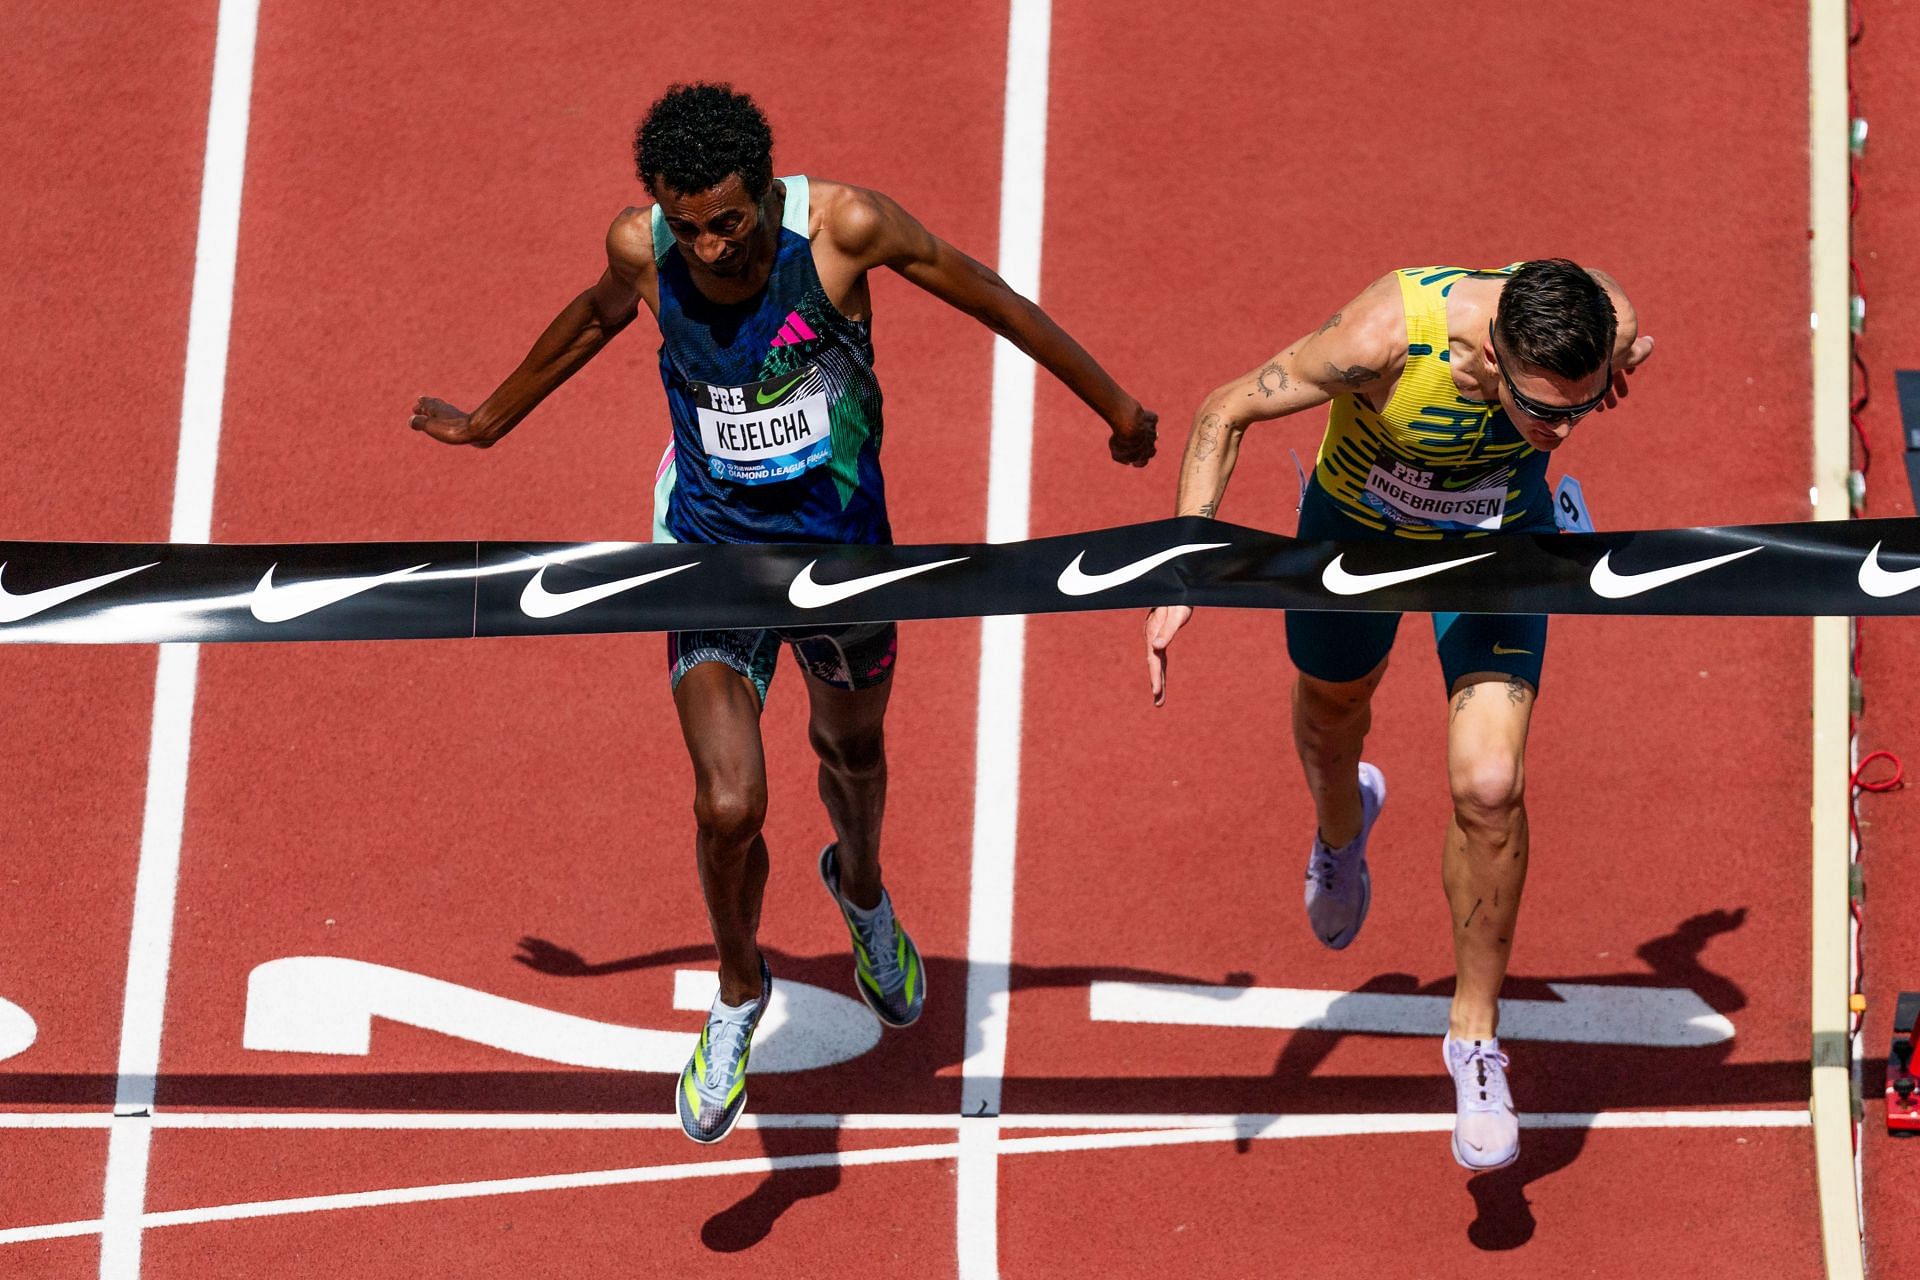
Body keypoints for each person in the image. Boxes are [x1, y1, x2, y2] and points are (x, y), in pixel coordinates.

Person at [412, 83, 1158, 1143]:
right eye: (689, 224)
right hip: (711, 551)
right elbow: (594, 317)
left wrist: (1114, 405)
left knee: (851, 753)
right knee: (728, 802)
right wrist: (489, 421)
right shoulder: (645, 246)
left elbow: (983, 292)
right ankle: (736, 989)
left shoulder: (847, 230)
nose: (711, 245)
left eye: (730, 219)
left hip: (845, 553)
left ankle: (860, 889)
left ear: (768, 190)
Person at [1142, 260, 1653, 1170]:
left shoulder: (1589, 324)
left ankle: (1474, 1041)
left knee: (1490, 785)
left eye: (1576, 411)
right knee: (1333, 716)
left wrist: (1614, 366)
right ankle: (1342, 831)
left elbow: (1627, 320)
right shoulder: (1381, 339)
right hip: (1356, 539)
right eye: (1544, 411)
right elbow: (1225, 409)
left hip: (1498, 547)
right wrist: (1183, 567)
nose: (1559, 429)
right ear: (1491, 358)